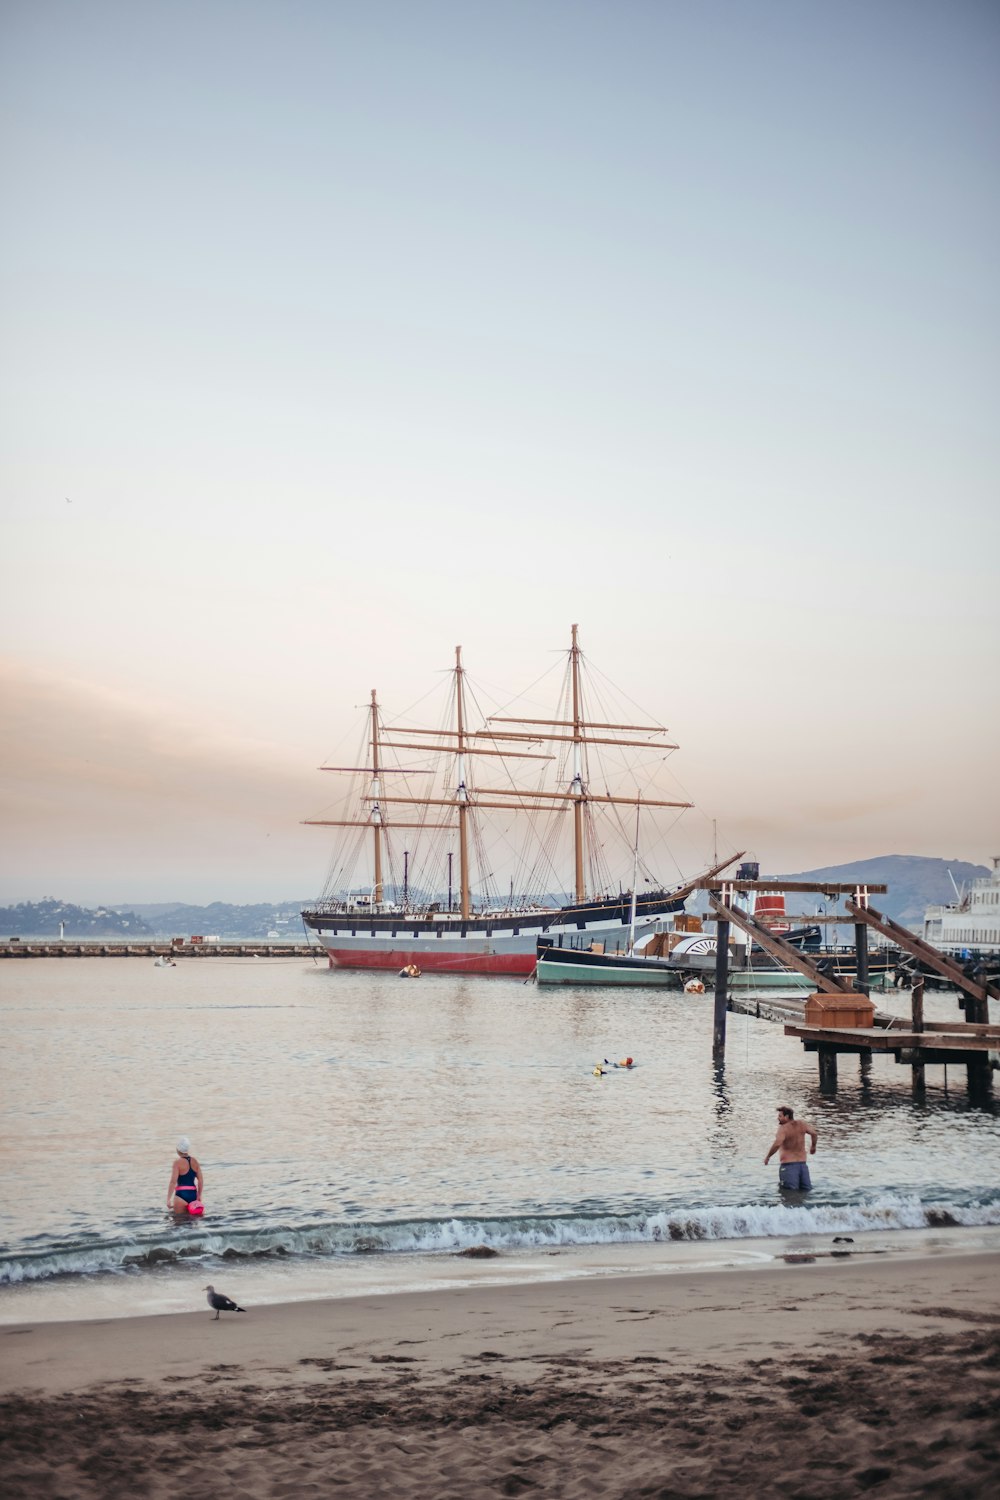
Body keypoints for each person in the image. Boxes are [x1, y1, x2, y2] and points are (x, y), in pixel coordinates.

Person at [764, 1106, 817, 1191]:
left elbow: (777, 1144)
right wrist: (813, 1146)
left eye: (780, 1116)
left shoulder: (783, 1128)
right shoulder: (802, 1124)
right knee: (805, 1193)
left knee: (789, 1195)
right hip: (803, 1166)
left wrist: (768, 1157)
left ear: (787, 1117)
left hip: (788, 1166)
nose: (778, 1118)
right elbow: (814, 1134)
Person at [168, 1136, 204, 1213]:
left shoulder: (177, 1163)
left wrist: (168, 1199)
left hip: (181, 1196)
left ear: (178, 1149)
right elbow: (200, 1180)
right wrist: (199, 1195)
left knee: (179, 1221)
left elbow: (173, 1182)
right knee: (193, 1221)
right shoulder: (195, 1161)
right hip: (193, 1195)